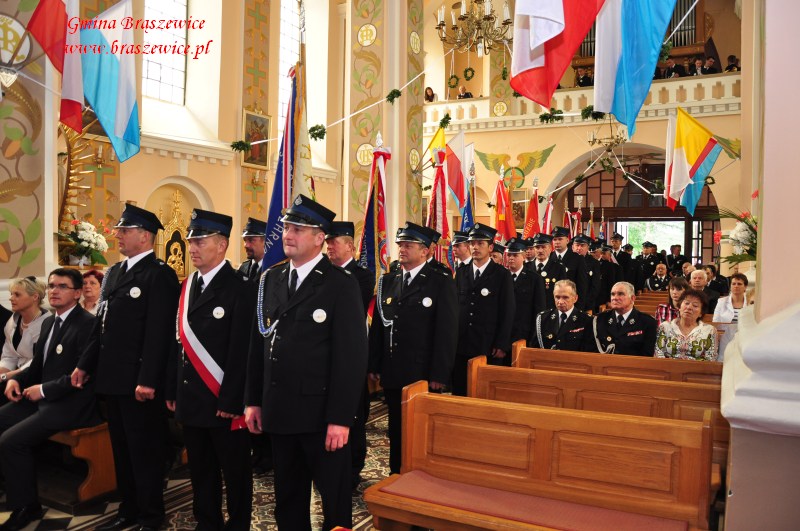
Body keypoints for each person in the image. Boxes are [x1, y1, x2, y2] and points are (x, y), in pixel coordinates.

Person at [245, 194, 367, 531]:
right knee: (288, 500)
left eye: (297, 229)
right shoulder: (271, 279)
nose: (287, 234)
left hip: (321, 417)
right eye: (286, 227)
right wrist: (253, 400)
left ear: (319, 238)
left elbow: (351, 357)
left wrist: (340, 419)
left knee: (334, 502)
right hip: (281, 411)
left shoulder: (340, 284)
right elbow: (258, 344)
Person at [72, 204, 180, 531]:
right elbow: (101, 324)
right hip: (113, 378)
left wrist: (148, 379)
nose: (117, 235)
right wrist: (84, 364)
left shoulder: (159, 274)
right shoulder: (116, 271)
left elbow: (159, 333)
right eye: (119, 230)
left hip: (139, 381)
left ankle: (151, 515)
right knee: (121, 450)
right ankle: (129, 509)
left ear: (145, 236)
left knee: (144, 452)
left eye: (125, 230)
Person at [165, 210, 255, 531]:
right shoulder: (188, 285)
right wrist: (172, 388)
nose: (192, 248)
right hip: (192, 398)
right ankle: (208, 522)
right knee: (201, 470)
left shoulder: (241, 288)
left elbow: (243, 351)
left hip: (223, 401)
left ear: (221, 245)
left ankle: (239, 524)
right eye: (191, 241)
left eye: (200, 241)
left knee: (235, 472)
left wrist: (232, 400)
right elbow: (177, 343)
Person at [0, 269, 99, 531]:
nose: (54, 291)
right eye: (52, 285)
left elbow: (83, 375)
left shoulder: (88, 324)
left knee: (12, 441)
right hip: (45, 397)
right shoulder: (48, 322)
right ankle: (13, 486)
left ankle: (26, 507)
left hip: (72, 403)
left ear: (77, 293)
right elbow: (36, 368)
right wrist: (15, 381)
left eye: (62, 286)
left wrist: (43, 390)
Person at [368, 222, 457, 474]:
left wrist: (440, 373)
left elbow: (446, 332)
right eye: (400, 245)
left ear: (425, 251)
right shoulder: (388, 280)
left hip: (423, 372)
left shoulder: (440, 282)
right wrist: (374, 363)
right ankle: (396, 472)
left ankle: (421, 475)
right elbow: (379, 327)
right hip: (393, 369)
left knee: (421, 428)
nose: (402, 249)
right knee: (396, 427)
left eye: (408, 245)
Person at [324, 220, 374, 488]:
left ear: (350, 247)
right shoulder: (323, 273)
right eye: (327, 242)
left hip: (352, 352)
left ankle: (355, 465)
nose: (329, 247)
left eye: (335, 242)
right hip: (327, 355)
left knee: (354, 412)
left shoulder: (361, 276)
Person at [452, 223, 515, 394]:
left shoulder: (501, 274)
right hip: (462, 343)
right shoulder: (461, 272)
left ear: (491, 247)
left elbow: (507, 310)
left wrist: (501, 343)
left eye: (480, 243)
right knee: (460, 390)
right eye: (472, 243)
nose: (475, 247)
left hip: (488, 344)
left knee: (485, 391)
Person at [2, 278, 48, 387]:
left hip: (37, 380)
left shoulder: (47, 323)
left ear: (35, 297)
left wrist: (5, 376)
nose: (10, 298)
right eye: (11, 294)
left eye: (17, 295)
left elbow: (36, 363)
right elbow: (9, 357)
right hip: (15, 376)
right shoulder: (13, 320)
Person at [591, 282, 658, 356]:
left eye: (620, 294)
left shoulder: (648, 322)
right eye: (612, 294)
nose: (615, 298)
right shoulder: (600, 319)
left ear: (632, 298)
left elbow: (647, 355)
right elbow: (591, 351)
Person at [505, 237, 546, 347]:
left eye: (515, 255)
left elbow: (539, 310)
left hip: (524, 333)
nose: (511, 258)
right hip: (503, 333)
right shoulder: (501, 276)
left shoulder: (534, 278)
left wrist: (533, 336)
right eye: (509, 255)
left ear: (523, 256)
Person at [655, 289, 717, 361]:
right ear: (679, 307)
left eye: (695, 305)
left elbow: (710, 358)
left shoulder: (709, 330)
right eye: (686, 303)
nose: (689, 307)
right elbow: (658, 353)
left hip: (697, 368)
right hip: (667, 366)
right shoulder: (665, 327)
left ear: (701, 313)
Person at [532, 280, 593, 351]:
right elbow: (534, 348)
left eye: (565, 297)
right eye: (557, 297)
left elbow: (589, 351)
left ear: (575, 298)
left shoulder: (586, 320)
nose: (560, 302)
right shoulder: (543, 318)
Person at [550, 227, 588, 310]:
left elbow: (582, 286)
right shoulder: (549, 257)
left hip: (571, 305)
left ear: (567, 240)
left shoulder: (577, 259)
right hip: (552, 305)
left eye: (560, 239)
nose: (557, 242)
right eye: (555, 239)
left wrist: (578, 309)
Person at [532, 233, 566, 309]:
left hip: (550, 309)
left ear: (550, 248)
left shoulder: (558, 268)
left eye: (543, 247)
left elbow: (562, 292)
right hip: (530, 310)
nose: (540, 250)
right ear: (534, 249)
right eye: (537, 247)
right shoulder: (526, 267)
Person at [572, 235, 600, 312]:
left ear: (588, 247)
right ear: (573, 247)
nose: (579, 248)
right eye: (577, 245)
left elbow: (595, 287)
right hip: (569, 303)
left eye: (582, 245)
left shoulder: (594, 263)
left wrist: (585, 304)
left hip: (586, 305)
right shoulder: (568, 261)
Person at [237, 217, 266, 281]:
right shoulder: (243, 267)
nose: (246, 245)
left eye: (251, 240)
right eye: (245, 240)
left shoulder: (272, 268)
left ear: (265, 241)